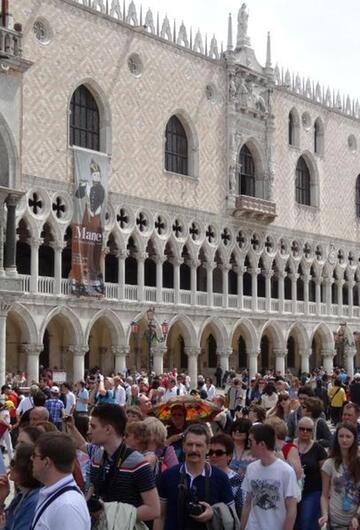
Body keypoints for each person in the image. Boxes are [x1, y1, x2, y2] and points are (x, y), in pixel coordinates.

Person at [154, 423, 235, 530]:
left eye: (199, 445)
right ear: (183, 446)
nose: (193, 449)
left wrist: (213, 514)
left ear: (208, 448)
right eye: (189, 444)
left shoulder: (221, 478)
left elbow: (231, 516)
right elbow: (160, 516)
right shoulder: (168, 475)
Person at [88, 403, 160, 522]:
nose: (89, 431)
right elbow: (92, 491)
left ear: (108, 429)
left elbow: (154, 509)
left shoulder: (138, 463)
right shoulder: (98, 457)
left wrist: (112, 515)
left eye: (93, 426)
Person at [240, 423, 298, 530]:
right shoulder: (251, 468)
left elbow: (291, 509)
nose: (248, 445)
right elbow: (247, 503)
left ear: (262, 444)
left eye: (250, 441)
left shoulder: (286, 471)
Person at [31, 432, 90, 530]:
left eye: (34, 455)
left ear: (46, 462)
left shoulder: (67, 506)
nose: (31, 458)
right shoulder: (56, 494)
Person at [319, 422, 360, 530]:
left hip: (355, 521)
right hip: (335, 521)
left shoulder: (358, 462)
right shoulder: (329, 463)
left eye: (348, 436)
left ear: (354, 438)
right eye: (341, 436)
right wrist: (325, 514)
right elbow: (324, 495)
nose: (344, 440)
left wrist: (357, 517)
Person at [293, 417, 327, 530]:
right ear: (297, 429)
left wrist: (326, 494)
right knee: (293, 522)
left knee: (306, 521)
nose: (305, 432)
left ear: (313, 431)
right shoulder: (289, 446)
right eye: (302, 429)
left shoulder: (319, 449)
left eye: (309, 429)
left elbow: (324, 474)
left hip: (311, 491)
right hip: (291, 492)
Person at [0, 443, 41, 530]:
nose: (9, 466)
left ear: (24, 467)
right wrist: (1, 498)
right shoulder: (21, 496)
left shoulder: (33, 502)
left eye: (12, 462)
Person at [209, 433, 243, 517]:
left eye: (219, 453)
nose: (213, 455)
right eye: (210, 452)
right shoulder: (201, 475)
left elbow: (240, 511)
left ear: (229, 456)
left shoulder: (238, 480)